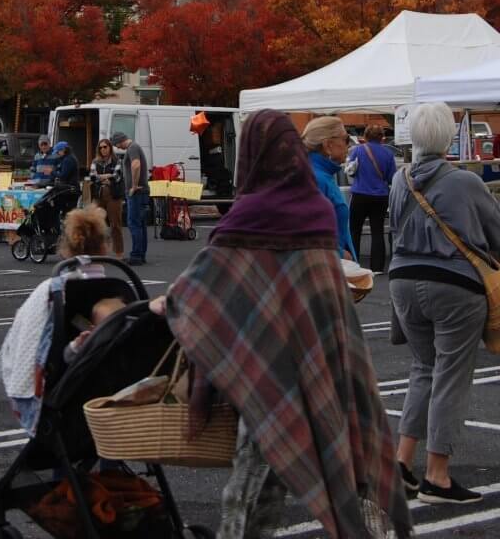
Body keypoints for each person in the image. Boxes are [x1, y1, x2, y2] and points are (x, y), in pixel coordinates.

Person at [164, 110, 412, 539]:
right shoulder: (315, 209)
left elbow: (199, 292)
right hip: (319, 359)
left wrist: (162, 306)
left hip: (261, 370)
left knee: (246, 494)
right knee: (305, 481)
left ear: (252, 155)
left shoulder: (246, 216)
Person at [389, 102, 500, 505]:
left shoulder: (400, 180)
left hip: (403, 280)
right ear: (449, 136)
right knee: (451, 374)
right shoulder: (465, 182)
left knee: (423, 368)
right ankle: (437, 475)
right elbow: (495, 232)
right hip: (453, 284)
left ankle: (401, 463)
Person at [0, 205, 111, 434]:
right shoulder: (116, 290)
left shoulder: (54, 291)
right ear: (104, 248)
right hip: (104, 384)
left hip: (65, 380)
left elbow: (25, 336)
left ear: (65, 249)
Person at [301, 117, 357, 259]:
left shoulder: (320, 175)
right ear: (328, 145)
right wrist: (340, 254)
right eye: (346, 139)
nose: (348, 145)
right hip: (327, 270)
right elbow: (305, 234)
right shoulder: (315, 179)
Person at [347, 125, 397, 272]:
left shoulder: (357, 150)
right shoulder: (388, 154)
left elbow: (350, 171)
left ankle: (354, 265)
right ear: (382, 137)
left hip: (359, 193)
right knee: (377, 230)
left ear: (366, 136)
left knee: (354, 230)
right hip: (380, 196)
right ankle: (377, 267)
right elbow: (391, 177)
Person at [112, 132, 148, 266]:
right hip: (142, 191)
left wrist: (134, 186)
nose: (117, 147)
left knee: (134, 223)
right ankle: (140, 254)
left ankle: (136, 255)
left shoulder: (132, 148)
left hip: (137, 193)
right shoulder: (135, 147)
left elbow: (136, 164)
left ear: (120, 141)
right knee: (141, 224)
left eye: (116, 144)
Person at [89, 138, 124, 258]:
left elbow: (117, 176)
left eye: (105, 147)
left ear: (110, 147)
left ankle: (119, 253)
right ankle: (98, 252)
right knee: (96, 224)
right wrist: (107, 176)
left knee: (115, 225)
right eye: (101, 147)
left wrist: (104, 177)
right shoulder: (95, 161)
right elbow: (93, 177)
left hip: (113, 195)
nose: (103, 149)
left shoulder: (116, 160)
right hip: (98, 194)